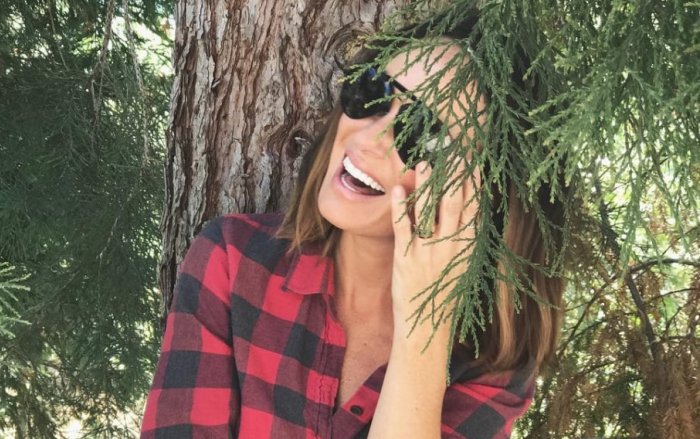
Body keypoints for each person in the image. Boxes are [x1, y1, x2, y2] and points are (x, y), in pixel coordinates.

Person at [141, 11, 564, 439]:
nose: (368, 139)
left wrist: (424, 330)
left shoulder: (492, 361)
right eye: (374, 93)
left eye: (424, 133)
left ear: (485, 198)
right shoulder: (234, 262)